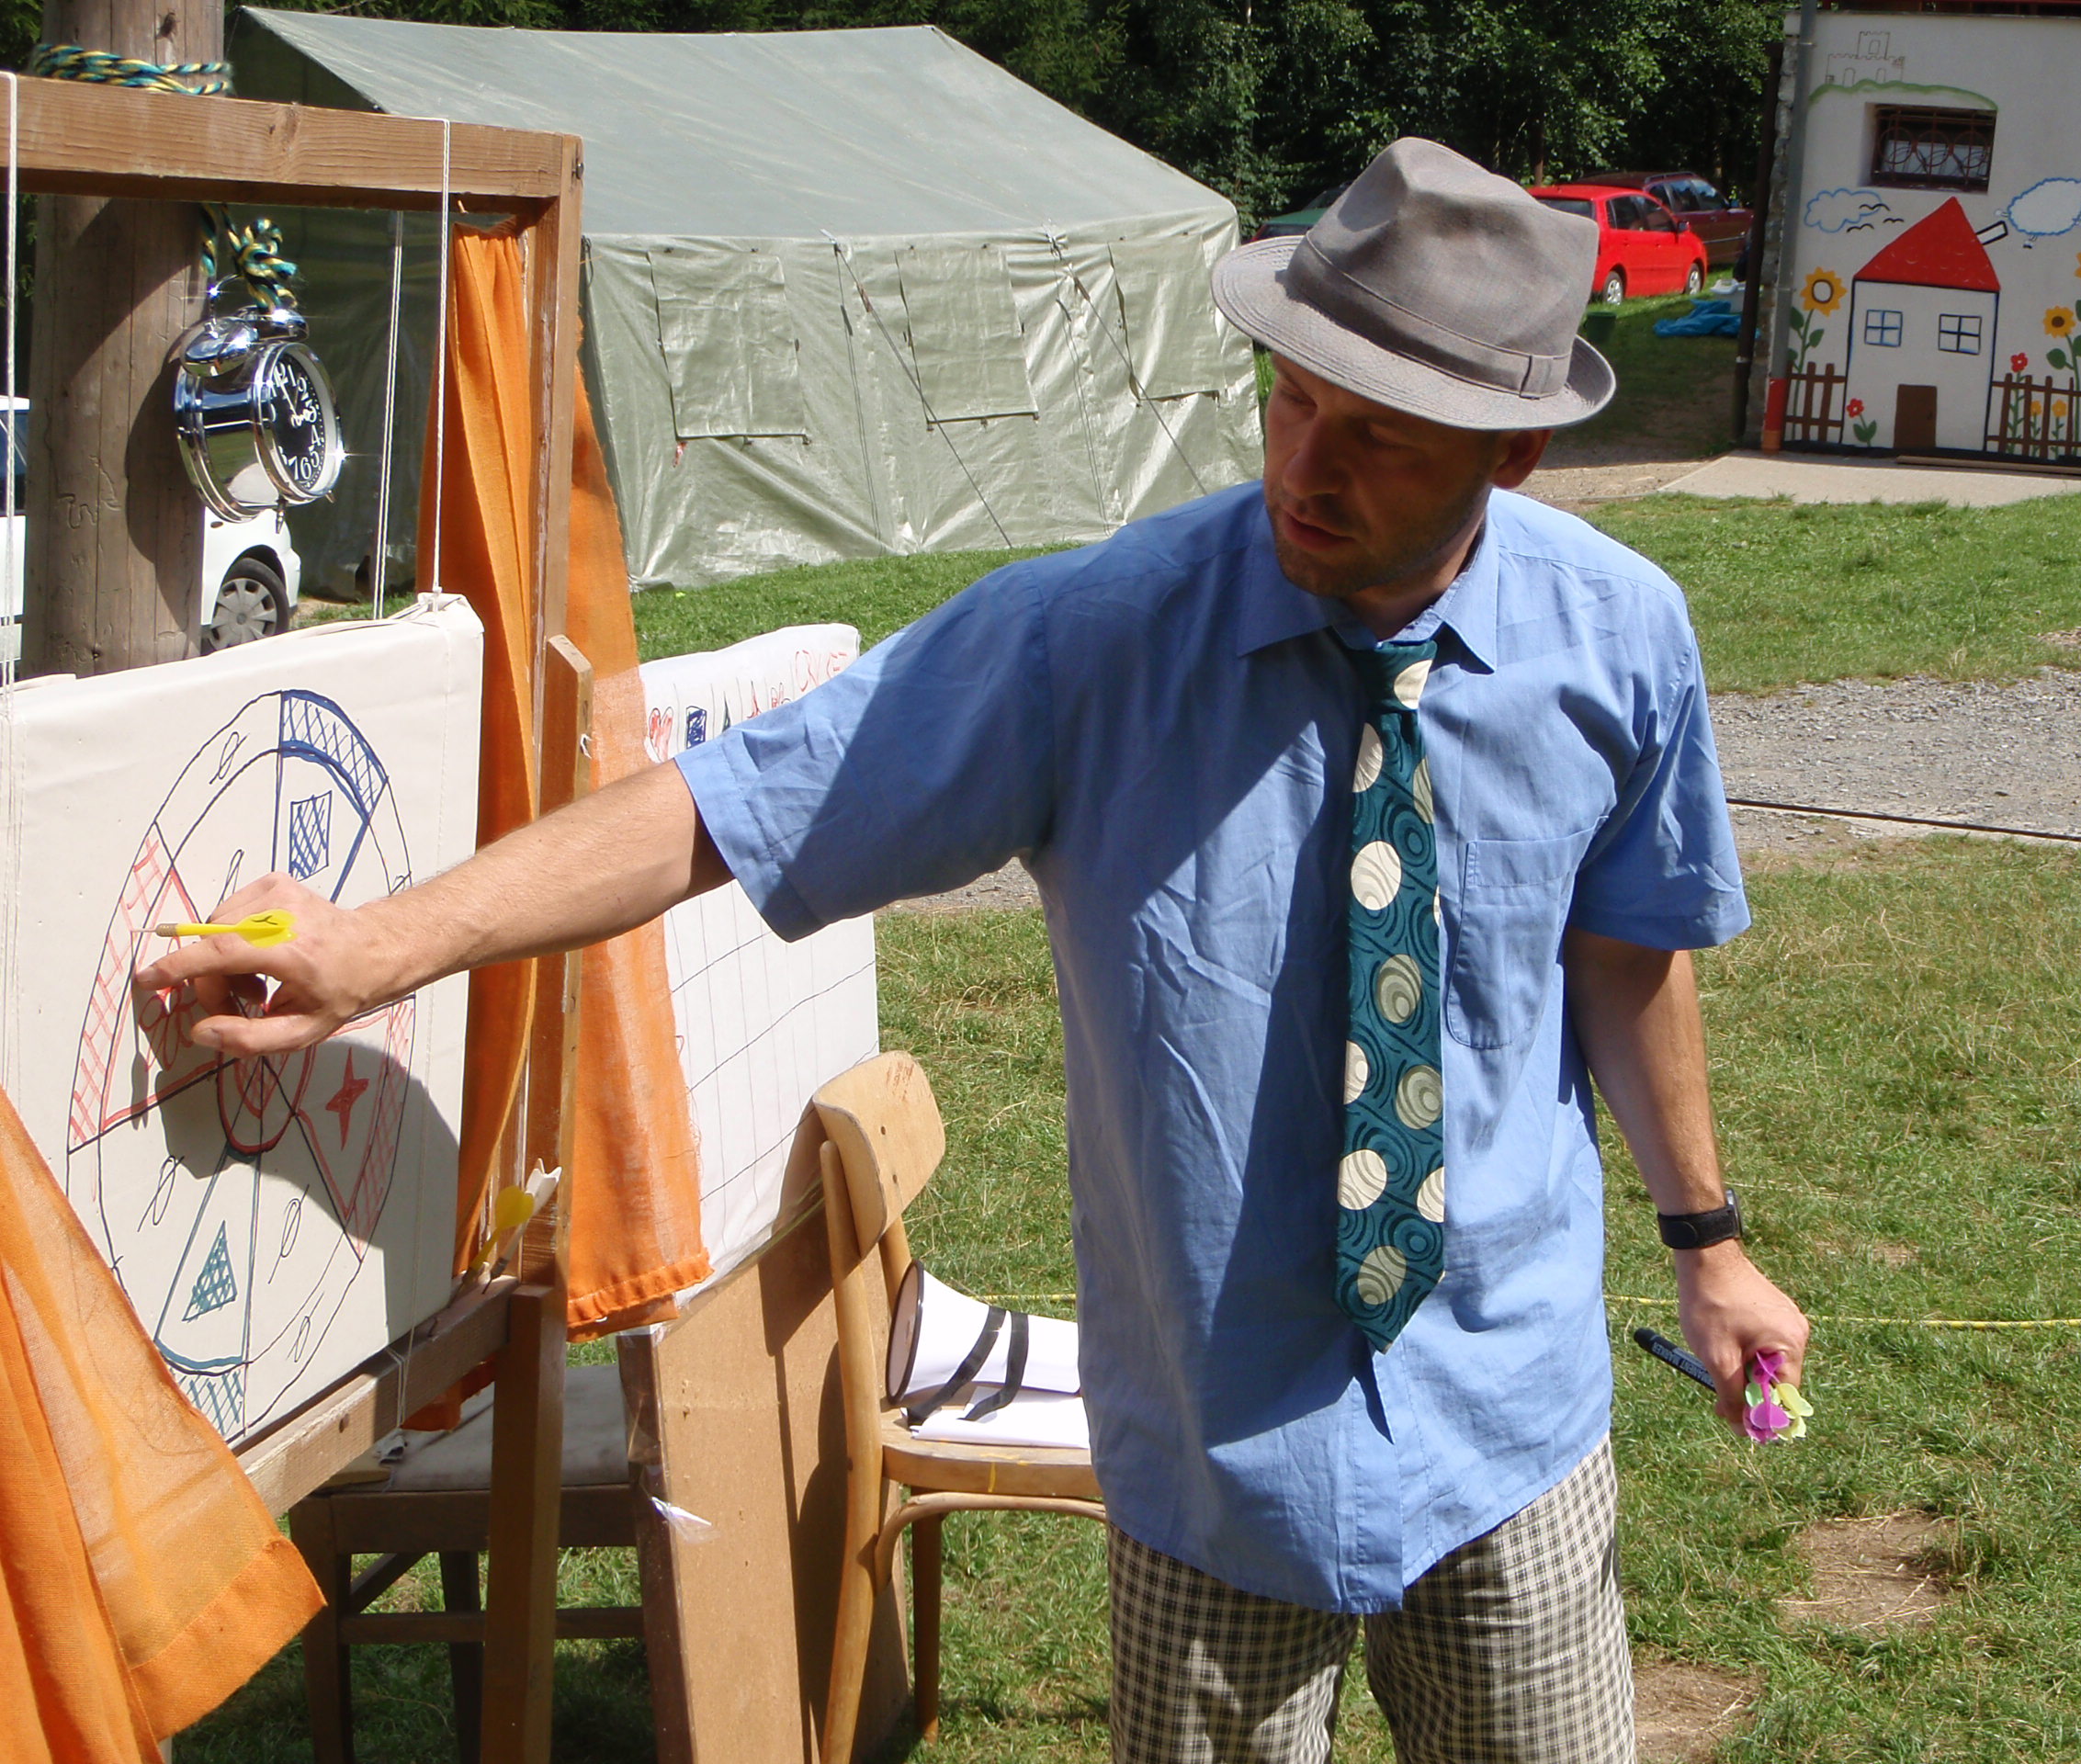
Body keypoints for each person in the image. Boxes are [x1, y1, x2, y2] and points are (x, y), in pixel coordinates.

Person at [141, 138, 1807, 1763]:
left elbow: (1628, 951)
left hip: (1508, 1422)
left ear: (1510, 456)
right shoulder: (1095, 640)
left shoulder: (1619, 639)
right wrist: (385, 944)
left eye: (1377, 436)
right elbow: (726, 809)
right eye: (1292, 399)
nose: (1307, 466)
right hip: (1217, 1452)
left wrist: (1708, 1241)